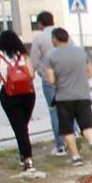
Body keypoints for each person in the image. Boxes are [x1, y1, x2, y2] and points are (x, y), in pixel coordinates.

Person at [0, 30, 44, 178]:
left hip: (9, 95)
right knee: (23, 126)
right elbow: (31, 75)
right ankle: (25, 154)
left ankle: (27, 159)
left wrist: (5, 77)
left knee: (19, 128)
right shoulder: (23, 55)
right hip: (28, 94)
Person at [40, 27, 92, 167]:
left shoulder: (51, 56)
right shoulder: (81, 52)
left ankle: (76, 157)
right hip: (83, 94)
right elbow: (90, 73)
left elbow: (50, 80)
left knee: (67, 129)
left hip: (63, 97)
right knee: (87, 124)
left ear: (55, 39)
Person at [29, 12, 59, 151]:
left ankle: (61, 144)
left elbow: (34, 62)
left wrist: (30, 76)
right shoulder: (63, 34)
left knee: (54, 110)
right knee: (70, 108)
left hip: (48, 78)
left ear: (40, 23)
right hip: (66, 77)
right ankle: (75, 134)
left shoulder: (39, 39)